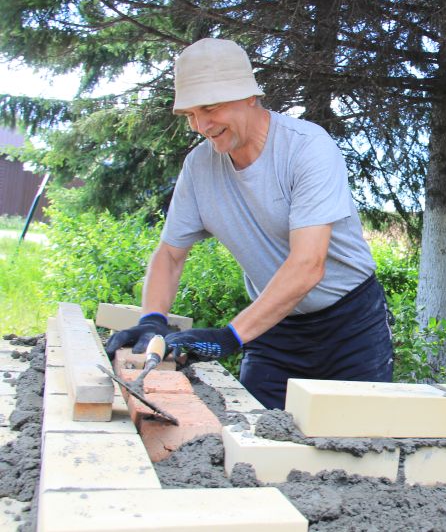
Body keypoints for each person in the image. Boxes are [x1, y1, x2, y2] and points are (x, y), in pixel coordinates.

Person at [105, 38, 394, 409]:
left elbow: (308, 265)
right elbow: (170, 254)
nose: (201, 125)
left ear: (249, 96)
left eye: (210, 108)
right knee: (257, 438)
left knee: (359, 446)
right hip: (273, 327)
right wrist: (152, 319)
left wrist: (229, 337)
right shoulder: (199, 168)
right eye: (191, 114)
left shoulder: (307, 148)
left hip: (351, 327)